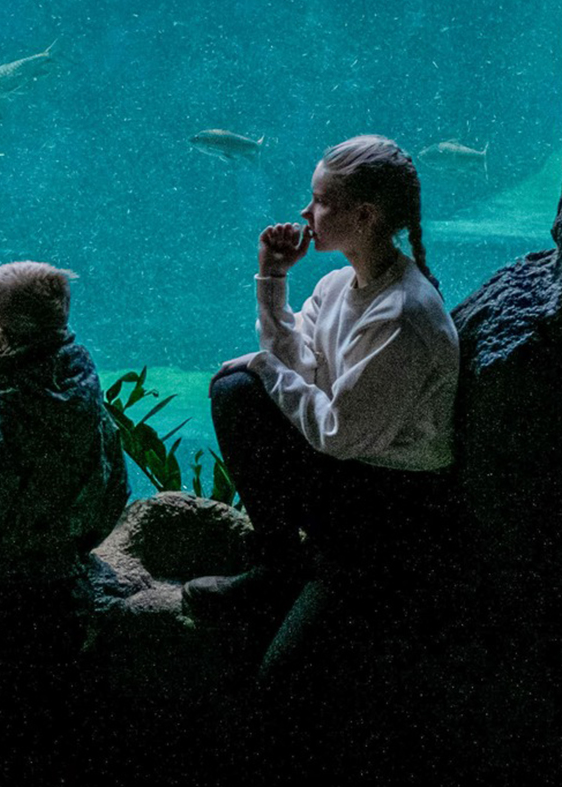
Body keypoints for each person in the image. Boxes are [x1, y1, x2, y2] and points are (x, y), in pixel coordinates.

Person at [183, 136, 461, 783]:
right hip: (351, 487)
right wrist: (273, 279)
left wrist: (259, 365)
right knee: (237, 394)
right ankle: (282, 566)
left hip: (390, 521)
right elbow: (297, 366)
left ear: (364, 217)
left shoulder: (404, 317)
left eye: (320, 202)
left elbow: (334, 432)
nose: (305, 215)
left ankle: (320, 581)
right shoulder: (341, 286)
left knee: (281, 689)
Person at [0, 261, 126, 787]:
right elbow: (114, 489)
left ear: (3, 334)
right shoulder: (85, 398)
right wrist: (70, 551)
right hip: (65, 596)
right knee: (54, 740)